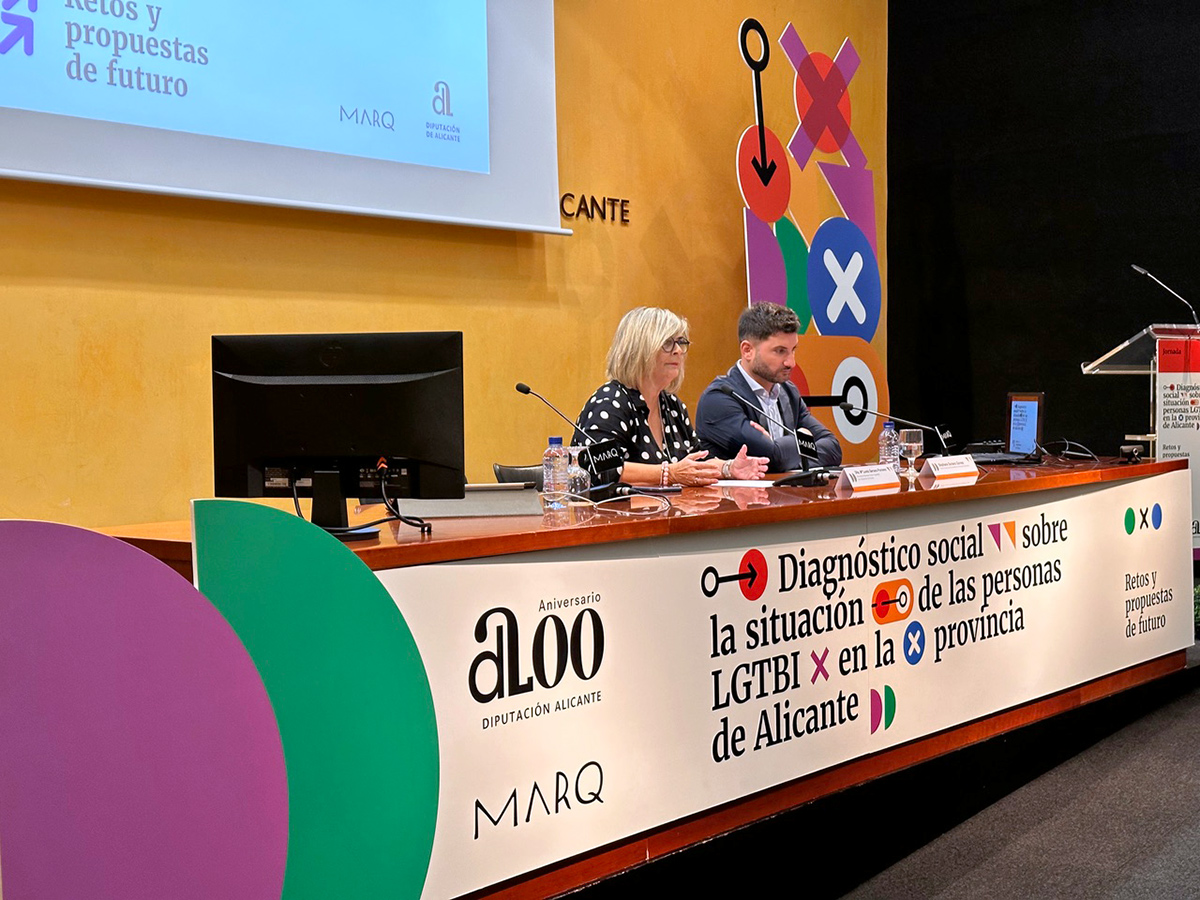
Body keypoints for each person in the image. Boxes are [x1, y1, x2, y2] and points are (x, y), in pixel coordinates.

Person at [575, 307, 769, 487]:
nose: (678, 351)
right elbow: (597, 468)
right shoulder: (610, 403)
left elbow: (696, 461)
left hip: (667, 510)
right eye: (667, 343)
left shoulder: (672, 406)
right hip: (618, 512)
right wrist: (669, 473)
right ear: (640, 349)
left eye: (680, 343)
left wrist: (729, 468)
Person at [696, 303, 842, 471]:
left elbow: (833, 449)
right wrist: (803, 440)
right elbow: (771, 457)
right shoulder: (719, 399)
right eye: (780, 351)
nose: (791, 362)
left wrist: (780, 449)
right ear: (747, 350)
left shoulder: (788, 392)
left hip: (786, 488)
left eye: (793, 350)